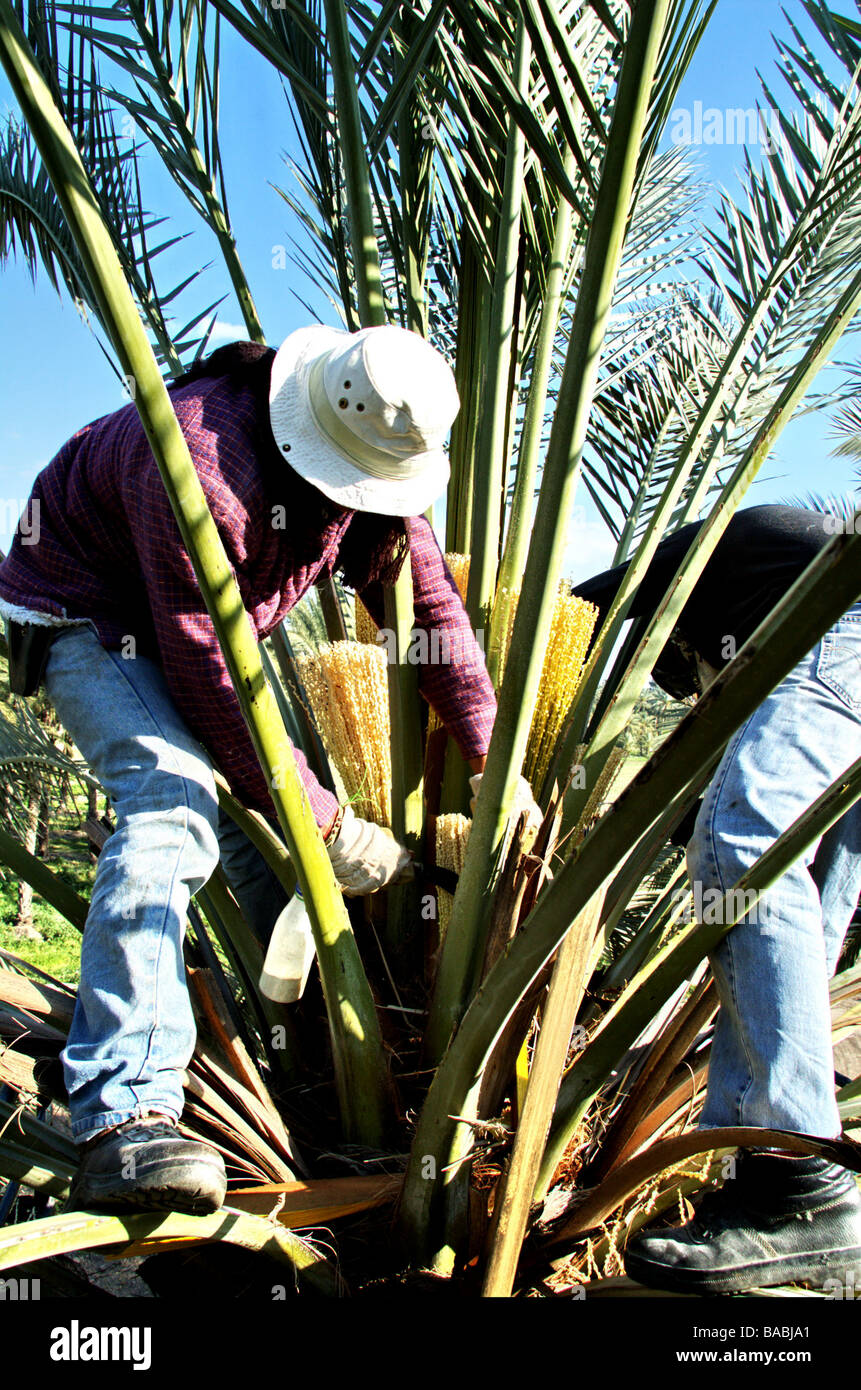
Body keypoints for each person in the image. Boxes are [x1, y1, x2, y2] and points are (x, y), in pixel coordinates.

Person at [0, 324, 513, 1215]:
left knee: (264, 829)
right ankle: (125, 1113)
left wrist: (493, 760)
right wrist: (330, 824)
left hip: (206, 628)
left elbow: (427, 610)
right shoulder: (202, 464)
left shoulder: (374, 453)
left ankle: (297, 1044)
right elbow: (209, 682)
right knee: (176, 802)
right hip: (91, 612)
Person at [571, 505, 861, 1294]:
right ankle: (775, 1200)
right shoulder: (750, 587)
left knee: (744, 847)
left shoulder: (670, 570)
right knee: (802, 903)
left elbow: (560, 630)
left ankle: (799, 1179)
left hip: (844, 618)